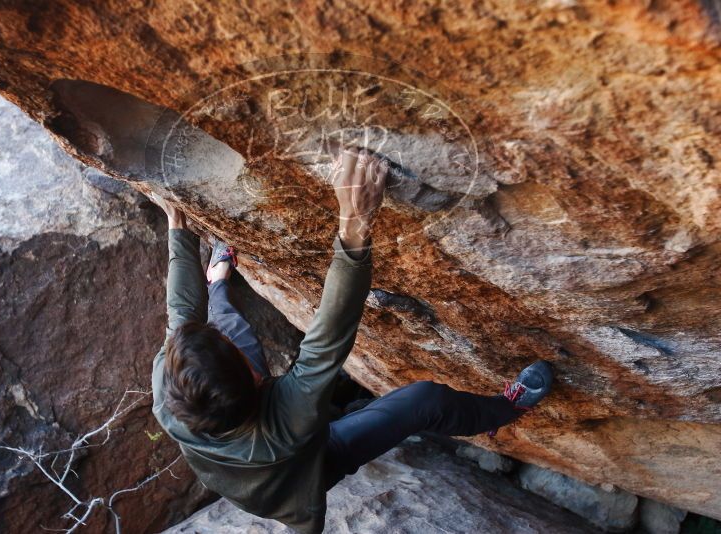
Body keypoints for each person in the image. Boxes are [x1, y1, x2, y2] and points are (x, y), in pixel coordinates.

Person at [150, 148, 554, 533]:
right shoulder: (290, 417)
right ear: (258, 382)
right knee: (425, 401)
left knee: (222, 328)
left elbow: (182, 318)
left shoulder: (169, 390)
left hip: (239, 447)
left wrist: (178, 231)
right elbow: (328, 337)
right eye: (245, 363)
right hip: (306, 472)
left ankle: (217, 282)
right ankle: (503, 411)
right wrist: (354, 223)